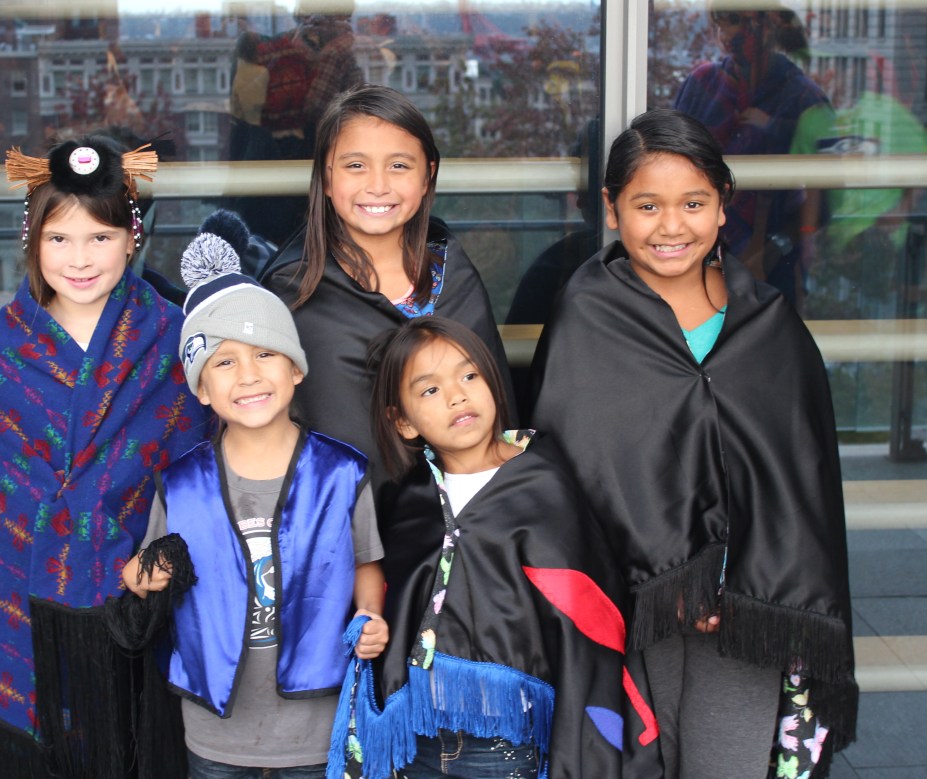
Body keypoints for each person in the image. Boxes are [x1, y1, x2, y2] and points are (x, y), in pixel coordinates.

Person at [529, 108, 858, 779]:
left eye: (694, 203)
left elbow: (799, 486)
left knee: (727, 764)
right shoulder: (586, 314)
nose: (671, 226)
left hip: (746, 616)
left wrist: (734, 584)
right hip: (627, 613)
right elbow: (568, 475)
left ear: (723, 205)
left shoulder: (769, 324)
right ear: (612, 208)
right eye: (647, 204)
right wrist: (670, 581)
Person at [0, 135, 211, 777]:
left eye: (100, 238)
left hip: (137, 607)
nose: (79, 259)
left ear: (132, 238)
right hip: (33, 613)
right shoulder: (6, 349)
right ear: (32, 243)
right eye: (59, 239)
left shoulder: (169, 339)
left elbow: (198, 478)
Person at [113, 210, 389, 778]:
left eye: (265, 353)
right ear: (203, 390)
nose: (248, 375)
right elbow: (137, 575)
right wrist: (149, 573)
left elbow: (366, 561)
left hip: (314, 723)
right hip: (217, 728)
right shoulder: (181, 483)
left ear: (295, 370)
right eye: (224, 362)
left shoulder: (341, 474)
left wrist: (371, 615)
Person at [326, 317, 661, 779]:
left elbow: (585, 615)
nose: (457, 396)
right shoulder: (408, 500)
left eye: (469, 376)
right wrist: (373, 625)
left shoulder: (545, 484)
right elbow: (390, 592)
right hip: (417, 739)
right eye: (429, 390)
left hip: (508, 745)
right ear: (401, 421)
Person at [261, 84, 514, 500]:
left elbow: (497, 412)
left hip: (468, 532)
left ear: (429, 173)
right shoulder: (294, 293)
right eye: (355, 166)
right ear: (325, 178)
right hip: (346, 536)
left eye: (399, 166)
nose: (378, 186)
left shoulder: (456, 277)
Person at [674, 6, 833, 308]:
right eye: (718, 23)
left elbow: (824, 195)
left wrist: (772, 248)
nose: (726, 34)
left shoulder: (802, 98)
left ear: (769, 26)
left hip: (773, 263)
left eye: (735, 20)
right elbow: (667, 164)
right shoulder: (704, 84)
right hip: (697, 253)